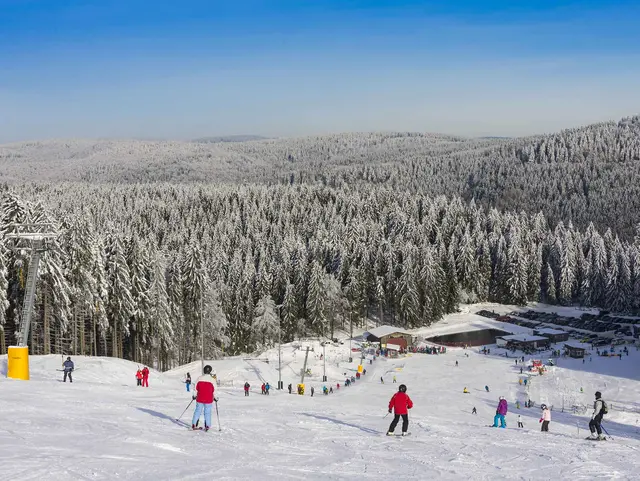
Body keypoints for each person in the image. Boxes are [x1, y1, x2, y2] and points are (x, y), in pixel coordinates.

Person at [191, 365, 217, 431]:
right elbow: (215, 390)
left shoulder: (199, 378)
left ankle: (194, 424)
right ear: (210, 371)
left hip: (200, 398)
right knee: (207, 412)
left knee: (197, 411)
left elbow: (195, 388)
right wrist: (216, 397)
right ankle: (207, 425)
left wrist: (194, 395)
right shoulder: (212, 380)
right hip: (208, 399)